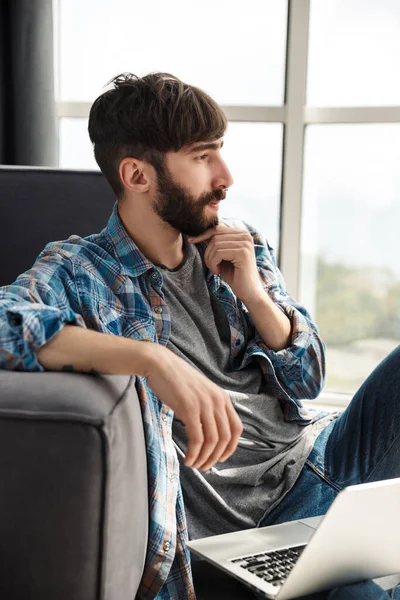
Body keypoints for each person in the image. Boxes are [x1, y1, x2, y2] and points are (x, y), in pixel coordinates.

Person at [0, 72, 399, 600]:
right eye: (202, 156)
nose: (226, 175)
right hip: (249, 532)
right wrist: (151, 359)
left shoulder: (238, 244)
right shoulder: (78, 272)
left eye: (220, 152)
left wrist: (255, 295)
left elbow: (308, 379)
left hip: (322, 459)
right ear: (138, 175)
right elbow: (6, 323)